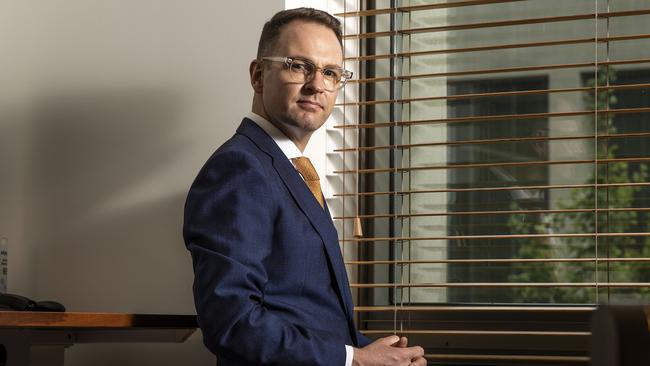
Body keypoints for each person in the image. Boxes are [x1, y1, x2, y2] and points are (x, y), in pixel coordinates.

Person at [183, 7, 427, 366]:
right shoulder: (239, 169)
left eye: (330, 72)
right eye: (299, 66)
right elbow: (230, 321)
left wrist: (380, 355)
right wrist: (354, 360)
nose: (317, 84)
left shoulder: (293, 169)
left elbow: (302, 312)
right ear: (257, 75)